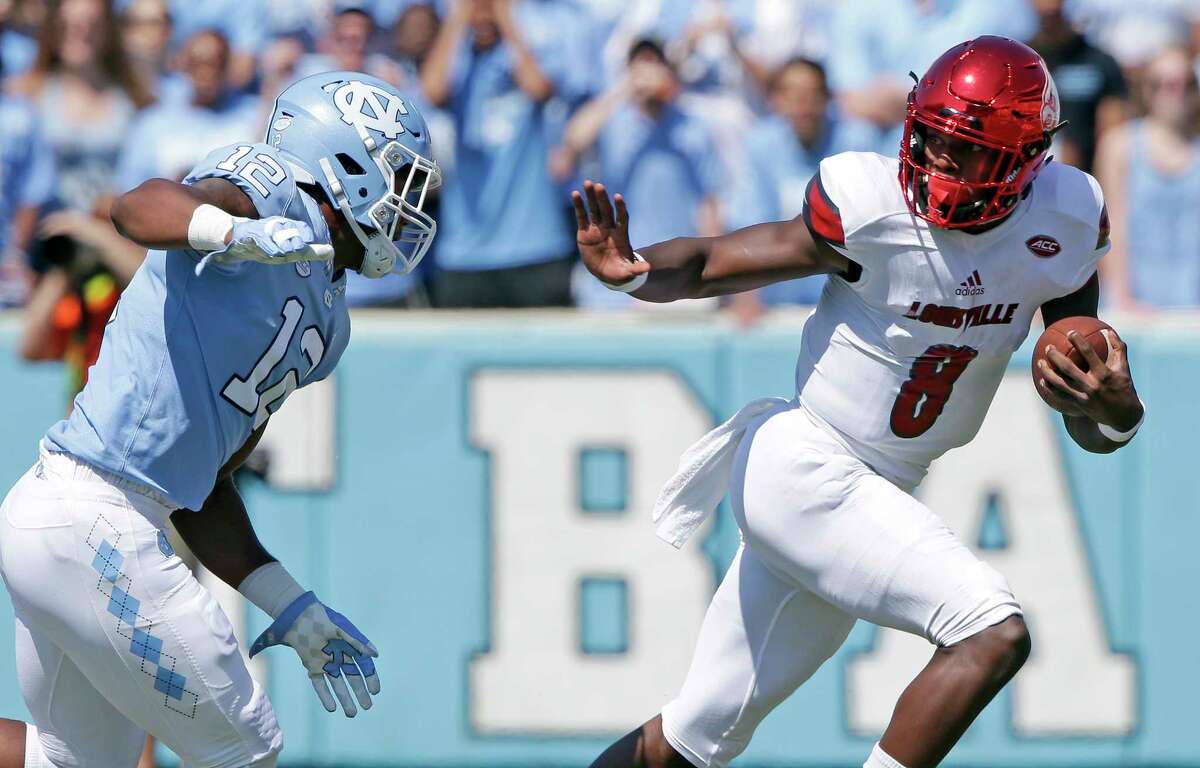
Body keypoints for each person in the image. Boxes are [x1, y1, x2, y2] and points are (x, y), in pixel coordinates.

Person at [573, 36, 1145, 768]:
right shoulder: (871, 205)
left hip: (878, 489)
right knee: (991, 627)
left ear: (1021, 160)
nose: (935, 160)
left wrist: (1119, 411)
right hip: (806, 463)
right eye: (930, 138)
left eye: (961, 150)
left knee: (693, 737)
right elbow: (719, 258)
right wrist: (637, 272)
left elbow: (1087, 417)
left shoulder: (1061, 223)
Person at [0, 70, 441, 767]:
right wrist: (231, 230)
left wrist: (288, 602)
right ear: (346, 162)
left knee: (68, 763)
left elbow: (203, 487)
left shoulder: (329, 321)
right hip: (95, 514)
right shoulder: (269, 187)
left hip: (70, 517)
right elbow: (137, 208)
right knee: (246, 750)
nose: (410, 205)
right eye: (397, 178)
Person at [421, 0, 586, 308]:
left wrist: (505, 16)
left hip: (536, 247)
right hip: (464, 252)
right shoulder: (460, 66)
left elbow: (538, 87)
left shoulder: (527, 56)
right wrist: (459, 17)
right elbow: (431, 89)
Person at [561, 38, 723, 310]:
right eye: (640, 65)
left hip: (674, 272)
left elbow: (708, 203)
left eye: (654, 65)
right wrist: (626, 87)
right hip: (615, 269)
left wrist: (713, 274)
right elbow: (574, 139)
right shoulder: (613, 121)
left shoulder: (692, 126)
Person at [726, 57, 877, 317]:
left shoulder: (857, 140)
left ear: (826, 98)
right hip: (778, 296)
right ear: (777, 100)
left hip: (844, 295)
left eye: (811, 95)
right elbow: (748, 221)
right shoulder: (760, 145)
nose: (802, 105)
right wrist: (745, 294)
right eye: (793, 95)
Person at [1095, 46, 1200, 309]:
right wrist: (1122, 297)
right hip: (1135, 301)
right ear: (1147, 89)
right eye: (1163, 84)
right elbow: (1111, 224)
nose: (1175, 93)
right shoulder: (1119, 145)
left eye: (1185, 84)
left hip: (1192, 303)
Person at [117, 30, 259, 191]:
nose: (206, 72)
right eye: (197, 63)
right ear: (184, 64)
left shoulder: (252, 117)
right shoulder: (153, 122)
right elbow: (130, 186)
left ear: (228, 65)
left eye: (215, 63)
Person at [1028, 0, 1127, 172]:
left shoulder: (1100, 64)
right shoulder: (1020, 64)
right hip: (1027, 177)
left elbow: (1113, 137)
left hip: (1087, 175)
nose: (1050, 9)